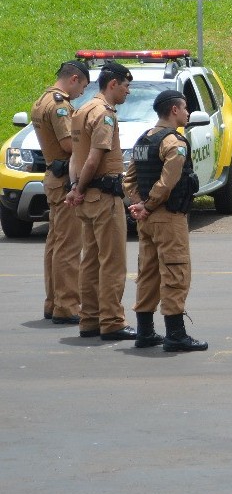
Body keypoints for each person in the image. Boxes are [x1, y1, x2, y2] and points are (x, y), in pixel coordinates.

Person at [123, 89, 207, 352]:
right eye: (184, 108)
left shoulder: (143, 140)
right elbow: (168, 181)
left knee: (147, 273)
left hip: (146, 220)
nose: (187, 113)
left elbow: (129, 179)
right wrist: (148, 205)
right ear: (174, 110)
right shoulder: (174, 143)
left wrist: (139, 204)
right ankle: (175, 334)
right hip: (168, 217)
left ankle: (145, 331)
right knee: (175, 272)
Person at [64, 61, 136, 340]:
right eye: (126, 86)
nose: (128, 92)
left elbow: (74, 157)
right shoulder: (104, 114)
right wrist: (79, 187)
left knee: (91, 261)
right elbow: (94, 157)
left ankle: (90, 319)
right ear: (113, 84)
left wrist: (74, 187)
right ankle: (112, 321)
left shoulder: (81, 110)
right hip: (103, 196)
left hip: (86, 196)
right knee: (113, 262)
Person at [30, 59, 89, 324]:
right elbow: (68, 144)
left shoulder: (43, 100)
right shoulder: (59, 105)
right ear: (74, 79)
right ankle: (67, 305)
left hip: (53, 177)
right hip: (64, 178)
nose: (81, 94)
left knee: (55, 244)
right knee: (68, 245)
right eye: (83, 87)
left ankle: (53, 301)